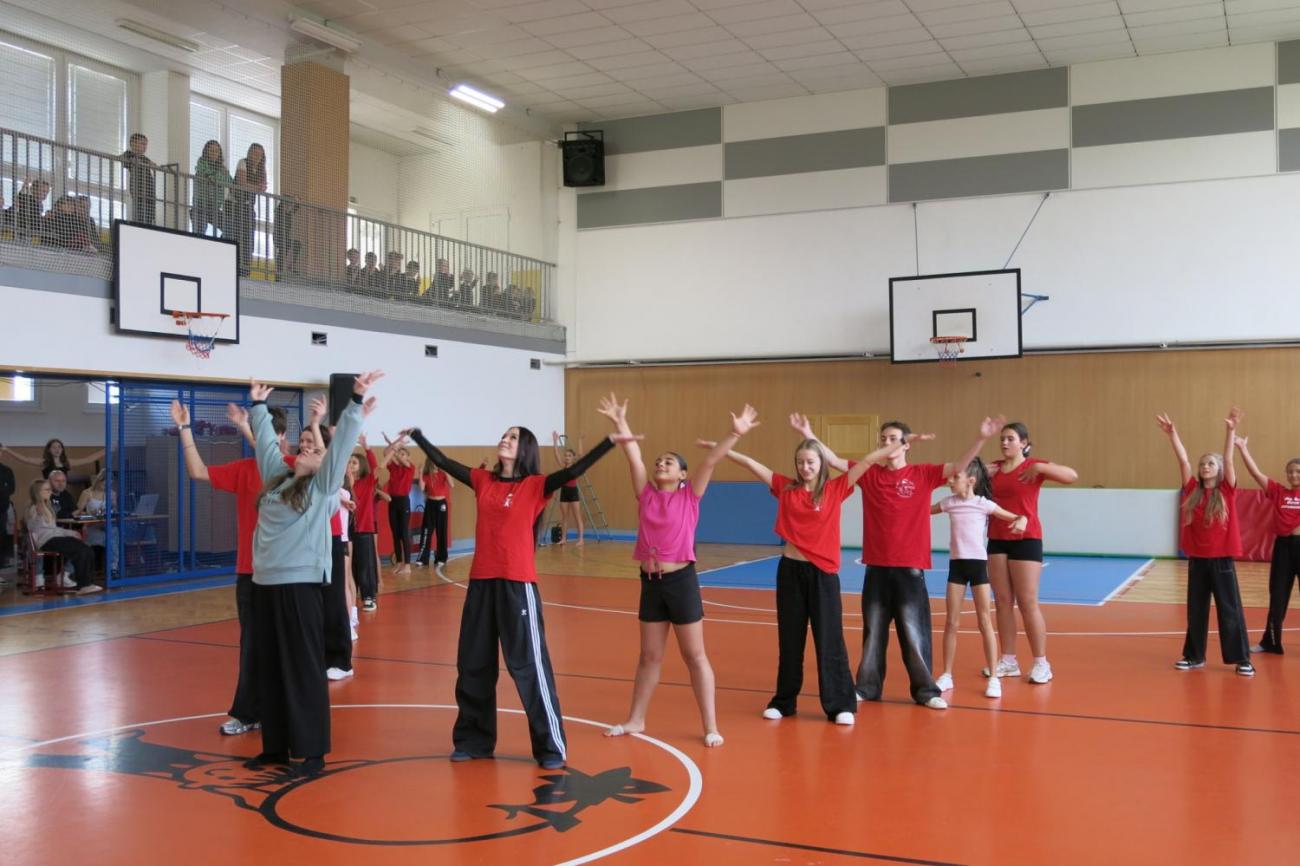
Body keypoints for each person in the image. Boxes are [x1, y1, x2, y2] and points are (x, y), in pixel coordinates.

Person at [406, 417, 628, 769]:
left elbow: (576, 469)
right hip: (481, 583)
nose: (505, 440)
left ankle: (550, 746)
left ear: (523, 449)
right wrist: (419, 436)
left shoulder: (536, 486)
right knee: (473, 664)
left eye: (513, 437)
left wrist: (609, 441)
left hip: (517, 584)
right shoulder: (483, 480)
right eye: (504, 435)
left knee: (529, 666)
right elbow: (446, 463)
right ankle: (474, 740)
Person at [729, 412, 915, 724]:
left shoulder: (836, 488)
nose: (805, 467)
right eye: (800, 462)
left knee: (829, 640)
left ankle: (840, 705)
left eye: (811, 462)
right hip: (790, 572)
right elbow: (751, 464)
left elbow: (867, 462)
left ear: (821, 464)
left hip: (823, 576)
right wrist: (724, 447)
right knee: (790, 640)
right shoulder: (785, 488)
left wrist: (895, 446)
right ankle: (784, 701)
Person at [809, 415, 1003, 710]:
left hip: (910, 569)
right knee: (873, 632)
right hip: (876, 568)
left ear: (905, 445)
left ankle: (926, 691)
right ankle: (867, 687)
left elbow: (958, 467)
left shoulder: (922, 475)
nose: (886, 443)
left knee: (914, 633)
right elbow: (834, 459)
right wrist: (808, 432)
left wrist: (981, 439)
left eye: (892, 439)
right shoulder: (871, 474)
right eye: (883, 439)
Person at [246, 371, 380, 776]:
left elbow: (339, 449)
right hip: (264, 585)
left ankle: (312, 750)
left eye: (315, 451)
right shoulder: (277, 478)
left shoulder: (322, 488)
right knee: (268, 668)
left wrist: (355, 402)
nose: (307, 451)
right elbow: (267, 443)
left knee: (304, 669)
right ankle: (274, 748)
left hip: (300, 587)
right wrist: (256, 406)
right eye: (303, 448)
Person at [596, 394, 733, 746]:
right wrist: (619, 423)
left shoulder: (690, 496)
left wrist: (735, 434)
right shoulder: (646, 495)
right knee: (649, 656)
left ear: (683, 474)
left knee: (694, 656)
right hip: (651, 583)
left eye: (669, 462)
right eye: (660, 461)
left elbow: (712, 460)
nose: (661, 464)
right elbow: (633, 455)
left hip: (681, 582)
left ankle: (711, 726)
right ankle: (636, 720)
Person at [174, 399, 290, 736]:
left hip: (286, 571)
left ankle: (284, 709)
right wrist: (184, 428)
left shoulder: (291, 467)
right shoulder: (243, 469)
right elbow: (198, 472)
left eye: (263, 431)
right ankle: (248, 711)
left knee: (286, 643)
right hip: (250, 572)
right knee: (252, 644)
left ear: (279, 436)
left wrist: (249, 426)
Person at [1156, 410, 1253, 676]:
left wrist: (1230, 431)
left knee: (1229, 610)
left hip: (1221, 561)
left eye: (1210, 463)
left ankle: (1242, 659)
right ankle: (1194, 656)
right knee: (1196, 610)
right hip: (1198, 561)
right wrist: (1172, 434)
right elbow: (1183, 459)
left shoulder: (1226, 491)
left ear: (1219, 469)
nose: (1205, 467)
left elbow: (1230, 460)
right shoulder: (1192, 491)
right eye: (1203, 464)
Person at [984, 422, 1079, 685]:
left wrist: (1041, 467)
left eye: (1010, 439)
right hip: (997, 539)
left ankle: (1041, 663)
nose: (1004, 443)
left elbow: (1072, 475)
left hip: (1026, 539)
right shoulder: (993, 468)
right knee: (1003, 601)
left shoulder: (1033, 467)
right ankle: (1008, 660)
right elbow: (961, 479)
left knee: (1027, 602)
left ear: (1024, 443)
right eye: (1002, 439)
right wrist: (980, 472)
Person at [931, 459, 1027, 699]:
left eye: (955, 478)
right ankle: (946, 674)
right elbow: (920, 511)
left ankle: (994, 677)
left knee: (985, 622)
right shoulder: (949, 503)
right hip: (956, 567)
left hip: (977, 567)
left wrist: (1021, 521)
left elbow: (1016, 517)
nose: (950, 481)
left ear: (971, 481)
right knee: (951, 622)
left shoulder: (983, 504)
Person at [1234, 435, 1300, 654]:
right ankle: (1271, 641)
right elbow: (1255, 473)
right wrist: (1243, 448)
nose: (1293, 475)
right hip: (1283, 548)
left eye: (1298, 471)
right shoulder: (1279, 491)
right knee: (1278, 594)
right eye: (1290, 471)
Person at [25, 478, 100, 594]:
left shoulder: (47, 507)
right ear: (38, 492)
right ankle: (84, 585)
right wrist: (36, 511)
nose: (50, 492)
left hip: (54, 537)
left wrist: (71, 533)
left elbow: (53, 529)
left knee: (87, 549)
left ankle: (88, 583)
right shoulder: (34, 508)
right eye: (47, 490)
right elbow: (35, 527)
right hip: (47, 540)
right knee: (80, 551)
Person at [349, 435, 381, 612]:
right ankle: (352, 595)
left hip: (364, 531)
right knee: (351, 566)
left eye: (354, 462)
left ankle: (369, 596)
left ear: (361, 467)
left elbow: (375, 467)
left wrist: (367, 448)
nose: (351, 465)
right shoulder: (344, 484)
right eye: (349, 462)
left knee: (365, 565)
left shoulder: (367, 482)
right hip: (349, 531)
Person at [232, 144, 268, 276]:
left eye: (259, 154)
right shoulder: (243, 163)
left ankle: (245, 270)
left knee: (249, 239)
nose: (256, 157)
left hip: (248, 207)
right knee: (237, 236)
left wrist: (257, 187)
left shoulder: (260, 169)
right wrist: (256, 187)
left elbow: (263, 187)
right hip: (236, 205)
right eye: (254, 153)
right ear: (249, 153)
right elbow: (241, 183)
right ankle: (235, 267)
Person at [0, 438, 103, 479]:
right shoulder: (44, 462)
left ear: (62, 449)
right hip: (48, 493)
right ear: (49, 450)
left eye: (59, 447)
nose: (57, 449)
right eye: (54, 447)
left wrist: (107, 450)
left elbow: (89, 459)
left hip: (62, 492)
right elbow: (25, 459)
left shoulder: (67, 462)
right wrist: (7, 450)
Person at [416, 459, 453, 568]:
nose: (435, 463)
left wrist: (446, 471)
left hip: (441, 504)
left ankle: (441, 557)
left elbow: (452, 485)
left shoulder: (442, 474)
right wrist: (420, 472)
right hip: (430, 504)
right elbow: (422, 488)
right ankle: (423, 558)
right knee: (426, 530)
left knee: (441, 531)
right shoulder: (427, 475)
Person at [193, 140, 232, 237]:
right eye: (211, 151)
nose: (214, 153)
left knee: (230, 228)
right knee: (199, 233)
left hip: (215, 207)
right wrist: (218, 177)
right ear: (206, 152)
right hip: (200, 205)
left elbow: (230, 182)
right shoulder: (202, 162)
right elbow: (207, 175)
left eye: (216, 151)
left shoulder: (222, 168)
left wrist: (214, 177)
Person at [551, 434, 584, 546]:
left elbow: (580, 455)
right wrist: (555, 441)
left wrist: (579, 440)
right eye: (565, 456)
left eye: (569, 456)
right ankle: (564, 539)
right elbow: (556, 455)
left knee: (577, 516)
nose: (566, 457)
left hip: (573, 492)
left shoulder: (575, 466)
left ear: (572, 457)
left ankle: (581, 539)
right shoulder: (562, 466)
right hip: (564, 492)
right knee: (564, 517)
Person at [121, 133, 156, 225]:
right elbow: (123, 160)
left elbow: (153, 165)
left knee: (150, 213)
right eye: (142, 144)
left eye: (146, 144)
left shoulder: (144, 158)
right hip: (139, 190)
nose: (145, 147)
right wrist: (132, 160)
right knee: (140, 212)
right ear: (133, 144)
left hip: (149, 191)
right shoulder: (129, 154)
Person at [272, 196, 301, 279]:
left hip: (285, 238)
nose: (290, 207)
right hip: (278, 237)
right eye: (289, 204)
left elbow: (294, 209)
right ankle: (282, 271)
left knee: (295, 245)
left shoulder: (288, 214)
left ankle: (287, 267)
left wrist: (297, 203)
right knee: (287, 246)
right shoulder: (279, 212)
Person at [0, 448, 14, 570]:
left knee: (1, 533)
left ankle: (1, 563)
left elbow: (12, 489)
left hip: (1, 507)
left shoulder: (6, 470)